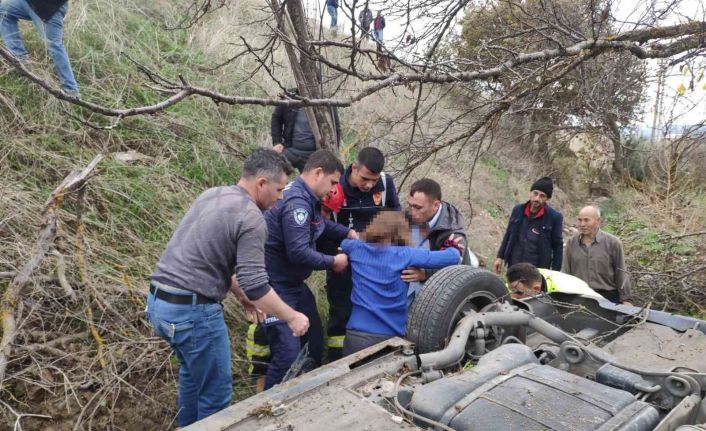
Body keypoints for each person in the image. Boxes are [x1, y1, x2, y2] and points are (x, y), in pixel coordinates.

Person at [146, 149, 310, 427]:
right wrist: (292, 316)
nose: (281, 197)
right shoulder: (252, 217)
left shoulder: (213, 195)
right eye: (279, 189)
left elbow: (206, 259)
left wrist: (243, 298)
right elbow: (257, 283)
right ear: (261, 183)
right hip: (192, 313)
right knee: (216, 396)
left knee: (193, 378)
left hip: (160, 304)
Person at [263, 149, 357, 389]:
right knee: (286, 353)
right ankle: (267, 404)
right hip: (276, 286)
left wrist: (347, 232)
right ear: (318, 173)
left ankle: (304, 390)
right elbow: (298, 252)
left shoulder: (306, 197)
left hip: (294, 285)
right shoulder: (297, 202)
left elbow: (320, 224)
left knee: (314, 339)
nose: (333, 190)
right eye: (333, 182)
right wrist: (332, 262)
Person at [341, 211, 462, 355]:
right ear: (402, 232)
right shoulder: (405, 254)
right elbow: (452, 257)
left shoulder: (355, 248)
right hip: (388, 339)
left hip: (355, 335)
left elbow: (344, 242)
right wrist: (451, 245)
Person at [325, 147, 401, 361]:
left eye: (373, 180)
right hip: (344, 265)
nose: (369, 185)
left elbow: (396, 219)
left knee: (373, 312)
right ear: (354, 168)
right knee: (341, 312)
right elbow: (325, 226)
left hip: (376, 266)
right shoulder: (335, 186)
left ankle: (372, 359)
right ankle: (336, 361)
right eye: (365, 179)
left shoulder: (385, 184)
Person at [403, 178, 468, 303]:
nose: (411, 212)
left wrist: (426, 273)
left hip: (440, 297)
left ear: (436, 205)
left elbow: (456, 269)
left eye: (417, 207)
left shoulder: (454, 232)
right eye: (409, 205)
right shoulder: (410, 215)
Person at [0, 0, 79, 95]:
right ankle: (20, 59)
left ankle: (71, 90)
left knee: (54, 46)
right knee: (4, 11)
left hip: (50, 9)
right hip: (30, 3)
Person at [493, 176, 563, 275]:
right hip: (514, 265)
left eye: (542, 196)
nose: (537, 198)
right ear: (531, 192)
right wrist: (500, 257)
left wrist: (555, 273)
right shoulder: (518, 210)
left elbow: (557, 246)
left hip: (536, 271)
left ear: (547, 198)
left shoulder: (554, 217)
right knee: (512, 290)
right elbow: (508, 234)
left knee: (532, 291)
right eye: (535, 193)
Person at [562, 205, 631, 303]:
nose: (582, 224)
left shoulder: (613, 243)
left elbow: (621, 273)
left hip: (608, 298)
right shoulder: (571, 243)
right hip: (580, 298)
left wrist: (626, 299)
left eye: (586, 220)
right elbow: (566, 272)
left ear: (598, 221)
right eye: (580, 220)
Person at [270, 88, 341, 172]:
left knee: (316, 181)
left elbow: (336, 127)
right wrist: (277, 141)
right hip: (290, 150)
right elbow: (276, 117)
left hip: (314, 154)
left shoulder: (325, 100)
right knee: (270, 170)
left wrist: (333, 150)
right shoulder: (289, 96)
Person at [507, 262, 603, 301]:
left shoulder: (568, 291)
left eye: (519, 293)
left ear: (536, 289)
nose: (513, 296)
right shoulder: (529, 277)